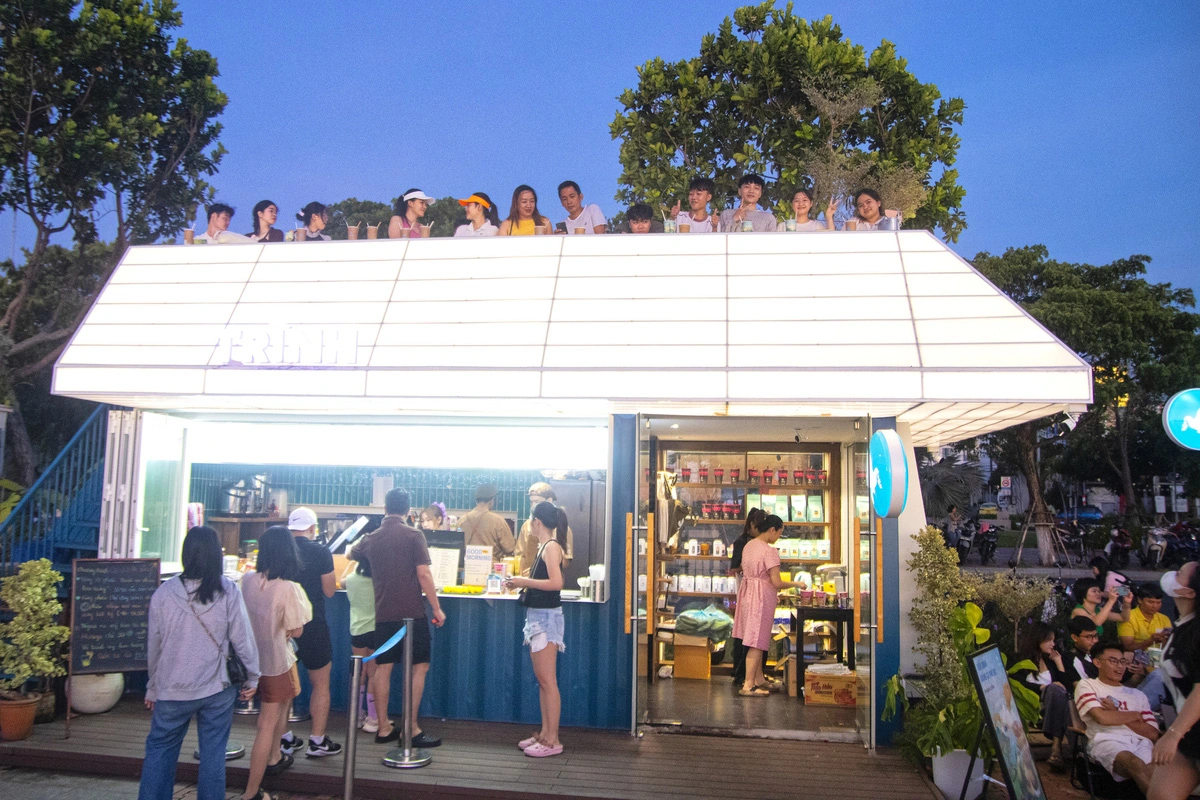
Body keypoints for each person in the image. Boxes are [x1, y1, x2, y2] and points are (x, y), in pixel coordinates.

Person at [139, 526, 260, 800]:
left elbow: (154, 647)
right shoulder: (228, 591)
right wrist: (253, 676)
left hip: (171, 689)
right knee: (213, 755)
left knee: (159, 752)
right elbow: (242, 639)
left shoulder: (163, 594)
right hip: (217, 688)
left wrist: (152, 685)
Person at [349, 488, 445, 748]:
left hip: (383, 614)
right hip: (412, 614)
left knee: (383, 668)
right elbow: (424, 574)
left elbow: (351, 553)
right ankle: (410, 729)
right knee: (419, 666)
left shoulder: (372, 537)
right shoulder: (414, 535)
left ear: (384, 509)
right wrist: (436, 608)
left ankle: (382, 727)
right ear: (408, 511)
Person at [239, 526, 312, 800]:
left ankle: (274, 756)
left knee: (281, 707)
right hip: (276, 661)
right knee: (266, 724)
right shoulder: (289, 589)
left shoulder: (246, 580)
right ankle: (251, 792)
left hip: (250, 661)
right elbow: (296, 630)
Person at [504, 501, 567, 758]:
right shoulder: (545, 546)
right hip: (539, 616)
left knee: (548, 681)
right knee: (543, 681)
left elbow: (556, 583)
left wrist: (523, 581)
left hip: (545, 617)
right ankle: (544, 733)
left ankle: (553, 740)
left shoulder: (551, 547)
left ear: (537, 521)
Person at [278, 507, 341, 758]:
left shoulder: (279, 551)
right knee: (320, 684)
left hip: (283, 627)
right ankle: (317, 741)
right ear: (313, 528)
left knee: (283, 686)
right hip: (313, 625)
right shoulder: (320, 551)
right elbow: (329, 591)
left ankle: (283, 739)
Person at [732, 514, 806, 696]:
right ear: (772, 530)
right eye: (779, 533)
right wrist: (797, 584)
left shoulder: (749, 545)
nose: (777, 538)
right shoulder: (769, 551)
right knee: (756, 641)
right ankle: (748, 685)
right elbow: (777, 582)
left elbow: (746, 569)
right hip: (761, 598)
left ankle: (759, 679)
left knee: (752, 637)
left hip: (748, 594)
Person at [1075, 641, 1160, 794]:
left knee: (1154, 769)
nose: (1120, 666)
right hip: (1106, 739)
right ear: (1097, 662)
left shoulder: (1138, 695)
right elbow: (1102, 718)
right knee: (1135, 763)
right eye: (1113, 661)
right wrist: (1134, 715)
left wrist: (1116, 711)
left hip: (1141, 742)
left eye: (1122, 661)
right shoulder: (1088, 685)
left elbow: (1152, 734)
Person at [1148, 562, 1200, 799]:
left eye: (1179, 573)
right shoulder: (1183, 625)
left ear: (1189, 592)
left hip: (1185, 731)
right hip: (1189, 734)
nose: (1172, 574)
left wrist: (1173, 734)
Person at [1016, 621, 1071, 770]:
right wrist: (1041, 687)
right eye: (1049, 640)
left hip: (1052, 707)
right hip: (1033, 707)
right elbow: (1017, 683)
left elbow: (1065, 687)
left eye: (1053, 640)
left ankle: (1056, 748)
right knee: (1052, 689)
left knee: (1055, 691)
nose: (1052, 644)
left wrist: (1059, 663)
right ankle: (1056, 746)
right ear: (1037, 639)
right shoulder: (1021, 660)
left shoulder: (1051, 661)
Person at [341, 554, 379, 734]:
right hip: (376, 630)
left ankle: (356, 716)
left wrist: (352, 563)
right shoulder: (379, 579)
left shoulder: (351, 579)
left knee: (359, 674)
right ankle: (373, 719)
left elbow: (341, 582)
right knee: (373, 673)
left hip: (357, 630)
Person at [729, 507, 766, 687]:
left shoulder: (762, 543)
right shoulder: (741, 542)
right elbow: (734, 567)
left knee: (756, 635)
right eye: (760, 527)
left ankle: (757, 676)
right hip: (746, 592)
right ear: (752, 525)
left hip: (759, 593)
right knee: (745, 634)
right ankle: (742, 675)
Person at [516, 482, 574, 576]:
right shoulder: (527, 525)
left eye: (537, 502)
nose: (533, 506)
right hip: (526, 581)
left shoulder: (561, 527)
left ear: (549, 500)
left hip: (547, 580)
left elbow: (566, 561)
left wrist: (538, 569)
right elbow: (520, 555)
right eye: (531, 502)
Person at [460, 483, 516, 558]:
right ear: (492, 500)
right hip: (491, 568)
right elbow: (510, 549)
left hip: (467, 567)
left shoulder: (462, 520)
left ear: (476, 501)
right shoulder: (498, 521)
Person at [1121, 582, 1173, 653]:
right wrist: (1150, 641)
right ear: (1139, 600)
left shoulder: (1164, 619)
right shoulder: (1128, 617)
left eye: (1158, 602)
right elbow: (1127, 647)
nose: (1155, 606)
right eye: (1151, 602)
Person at [1063, 616, 1101, 686]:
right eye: (1089, 637)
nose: (1094, 640)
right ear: (1074, 637)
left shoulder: (1101, 653)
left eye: (1095, 636)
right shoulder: (1068, 659)